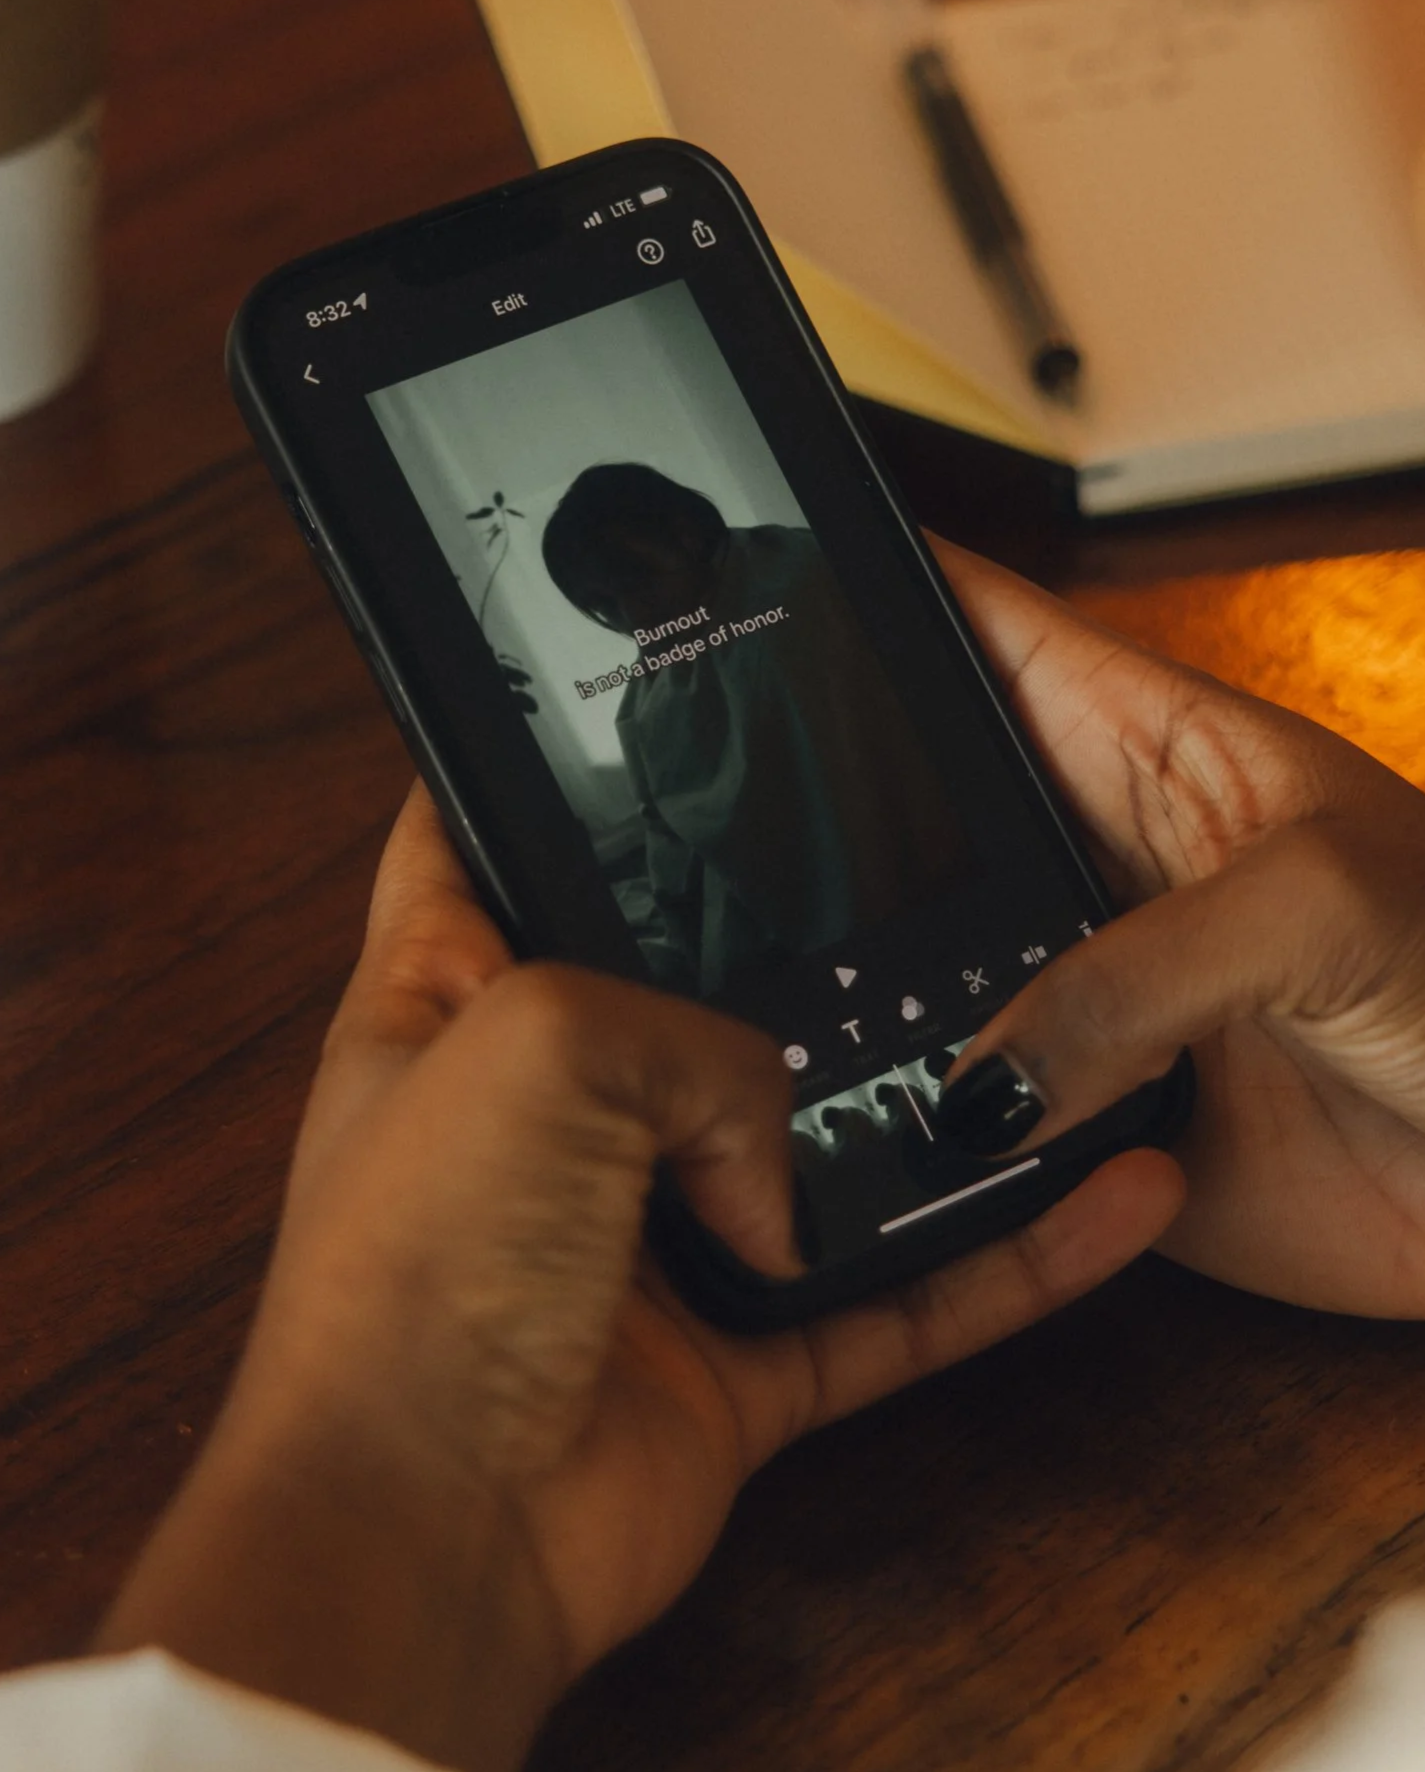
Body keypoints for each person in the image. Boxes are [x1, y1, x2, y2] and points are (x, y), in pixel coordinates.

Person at [7, 540, 1425, 1769]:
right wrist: (427, 1502)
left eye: (617, 609)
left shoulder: (687, 676)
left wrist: (404, 1493)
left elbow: (699, 837)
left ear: (624, 592)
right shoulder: (809, 588)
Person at [542, 464, 963, 994]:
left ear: (686, 536)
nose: (632, 618)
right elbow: (671, 856)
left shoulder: (804, 583)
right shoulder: (655, 677)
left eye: (637, 582)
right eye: (604, 606)